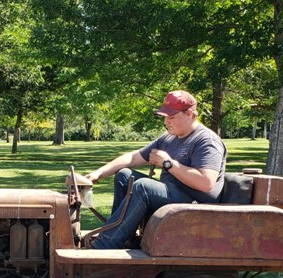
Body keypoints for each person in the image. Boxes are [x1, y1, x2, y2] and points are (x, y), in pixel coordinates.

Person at [85, 90, 226, 249]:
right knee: (125, 175)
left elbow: (206, 183)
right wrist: (98, 173)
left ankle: (104, 245)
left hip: (197, 206)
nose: (166, 122)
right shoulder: (169, 138)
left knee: (143, 187)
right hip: (175, 195)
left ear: (189, 114)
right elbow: (133, 158)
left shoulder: (206, 140)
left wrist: (168, 164)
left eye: (171, 117)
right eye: (165, 117)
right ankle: (122, 237)